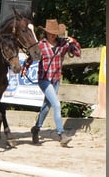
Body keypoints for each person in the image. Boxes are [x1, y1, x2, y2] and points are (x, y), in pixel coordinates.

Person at [21, 19, 81, 147]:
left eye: (55, 33)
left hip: (56, 79)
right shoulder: (41, 45)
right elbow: (30, 58)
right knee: (57, 105)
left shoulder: (63, 44)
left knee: (47, 106)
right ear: (46, 33)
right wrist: (24, 69)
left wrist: (73, 42)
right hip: (44, 79)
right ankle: (62, 134)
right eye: (51, 33)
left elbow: (77, 53)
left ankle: (36, 129)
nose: (53, 35)